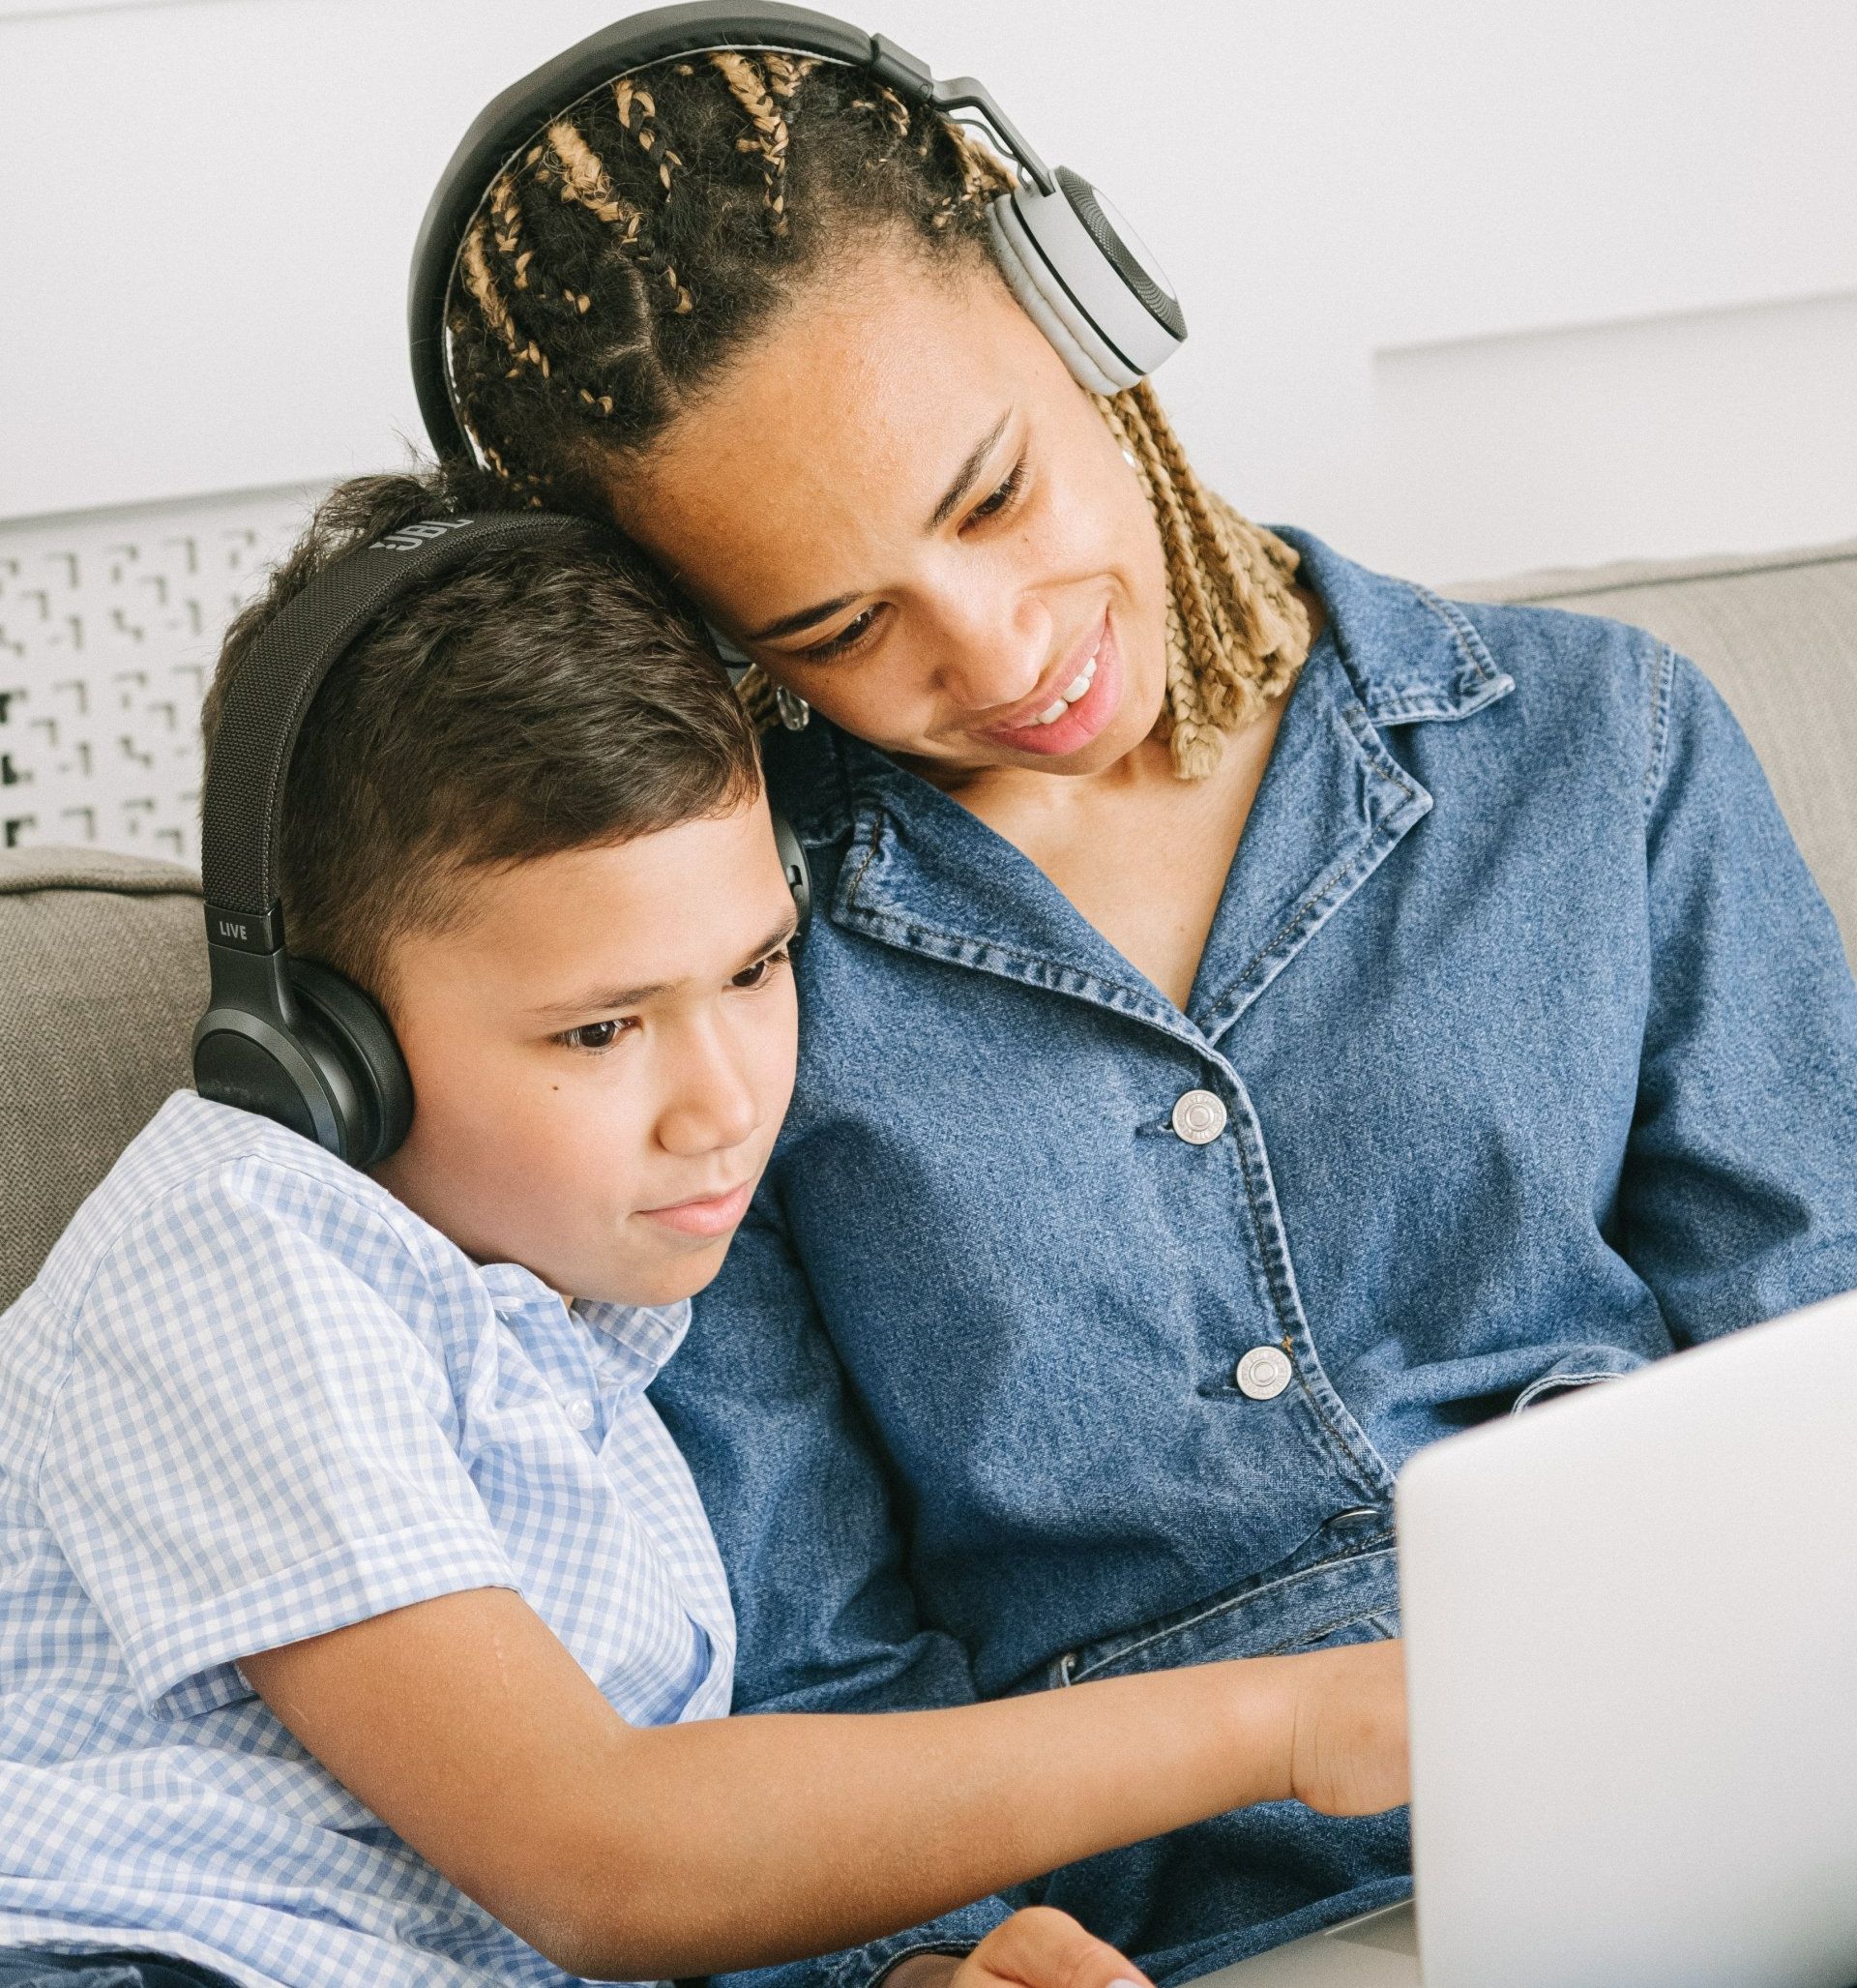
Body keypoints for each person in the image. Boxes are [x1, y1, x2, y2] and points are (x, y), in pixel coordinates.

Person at [427, 24, 1857, 1988]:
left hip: (1724, 1806)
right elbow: (799, 1642)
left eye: (997, 494)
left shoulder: (1606, 748)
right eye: (838, 628)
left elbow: (1820, 1364)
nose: (999, 648)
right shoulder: (724, 995)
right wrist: (927, 1957)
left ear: (1086, 301)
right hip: (1187, 1931)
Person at [0, 470, 1408, 1988]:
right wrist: (1286, 1723)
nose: (726, 1104)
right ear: (325, 1051)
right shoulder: (240, 1258)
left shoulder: (587, 1310)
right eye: (602, 1032)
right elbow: (603, 1858)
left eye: (754, 970)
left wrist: (920, 1976)